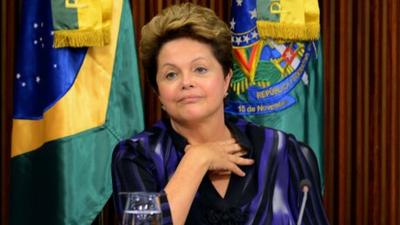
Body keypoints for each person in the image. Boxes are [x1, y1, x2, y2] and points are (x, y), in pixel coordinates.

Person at [112, 3, 329, 225]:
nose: (186, 82)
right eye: (171, 74)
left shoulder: (284, 153)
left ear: (226, 80)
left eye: (200, 69)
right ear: (158, 93)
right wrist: (197, 160)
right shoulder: (137, 157)